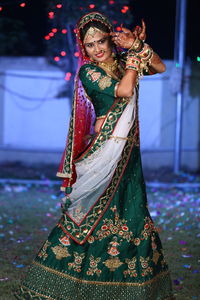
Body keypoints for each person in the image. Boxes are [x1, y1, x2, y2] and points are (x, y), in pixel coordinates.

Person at [15, 12, 175, 300]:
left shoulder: (125, 63)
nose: (97, 49)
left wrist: (136, 47)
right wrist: (134, 56)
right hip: (105, 153)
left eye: (102, 41)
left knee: (133, 215)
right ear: (84, 49)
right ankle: (54, 281)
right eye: (90, 45)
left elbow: (161, 67)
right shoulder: (89, 73)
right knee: (88, 215)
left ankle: (130, 290)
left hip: (129, 154)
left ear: (112, 40)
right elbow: (125, 90)